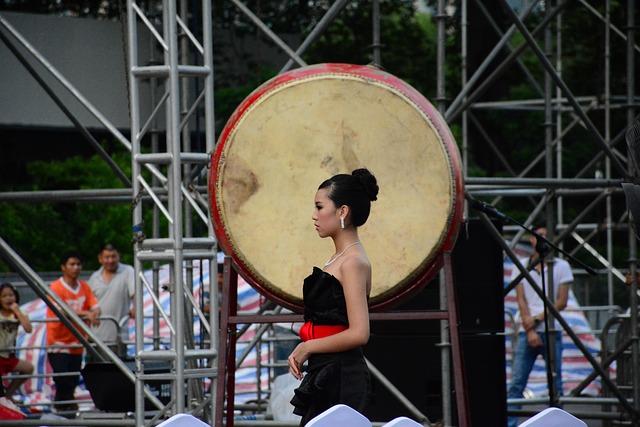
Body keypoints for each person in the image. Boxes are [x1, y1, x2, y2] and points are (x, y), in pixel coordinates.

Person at [288, 168, 378, 426]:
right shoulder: (339, 259)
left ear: (342, 211)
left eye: (319, 206)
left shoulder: (353, 262)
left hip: (342, 375)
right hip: (326, 370)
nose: (314, 215)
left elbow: (360, 332)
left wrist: (307, 347)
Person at [507, 227, 573, 427]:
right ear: (531, 240)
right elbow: (520, 299)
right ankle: (510, 424)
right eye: (539, 235)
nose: (542, 239)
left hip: (551, 330)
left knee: (556, 384)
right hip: (528, 330)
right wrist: (530, 328)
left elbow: (561, 302)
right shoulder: (521, 265)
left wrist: (534, 321)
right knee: (517, 383)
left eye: (546, 235)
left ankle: (559, 423)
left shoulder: (562, 266)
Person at [46, 253, 100, 411]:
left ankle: (65, 408)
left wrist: (94, 313)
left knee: (73, 378)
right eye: (72, 264)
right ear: (63, 267)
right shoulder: (55, 287)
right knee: (62, 378)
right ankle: (65, 407)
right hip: (58, 341)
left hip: (77, 341)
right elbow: (62, 311)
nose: (76, 267)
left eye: (78, 264)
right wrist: (86, 314)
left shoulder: (84, 286)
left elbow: (95, 305)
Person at [88, 244, 134, 355]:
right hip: (96, 335)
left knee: (118, 370)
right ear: (100, 259)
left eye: (113, 256)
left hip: (119, 336)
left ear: (119, 257)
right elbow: (88, 301)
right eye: (107, 257)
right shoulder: (94, 277)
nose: (110, 260)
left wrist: (135, 307)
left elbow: (135, 293)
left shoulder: (128, 271)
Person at [0, 283, 33, 399]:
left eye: (11, 295)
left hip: (8, 355)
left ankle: (9, 394)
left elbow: (28, 329)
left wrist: (17, 312)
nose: (8, 298)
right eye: (4, 296)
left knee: (28, 368)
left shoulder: (19, 313)